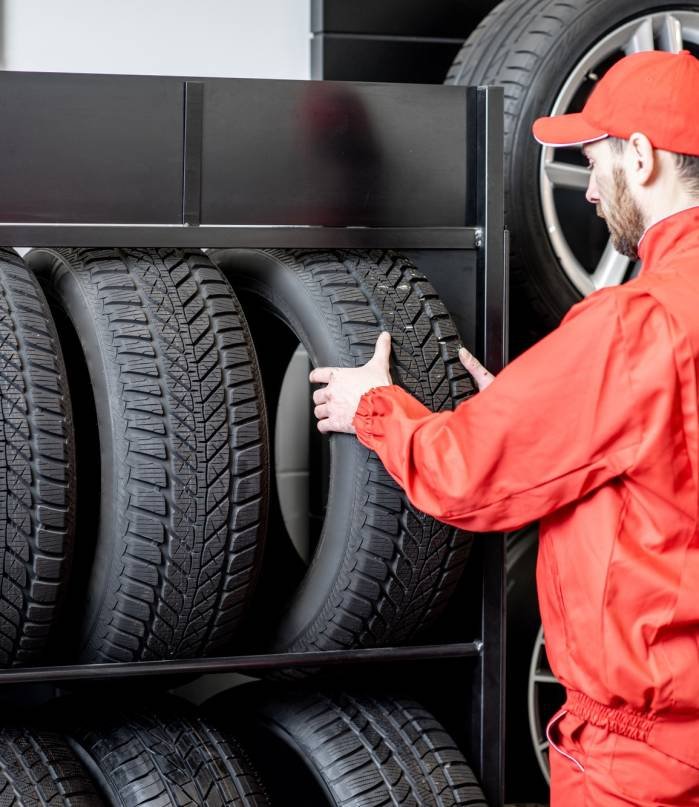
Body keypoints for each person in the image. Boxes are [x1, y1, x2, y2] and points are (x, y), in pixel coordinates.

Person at [309, 49, 699, 806]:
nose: (592, 191)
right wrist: (538, 414)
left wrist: (375, 407)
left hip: (643, 762)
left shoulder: (634, 325)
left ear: (642, 157)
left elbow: (464, 472)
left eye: (595, 162)